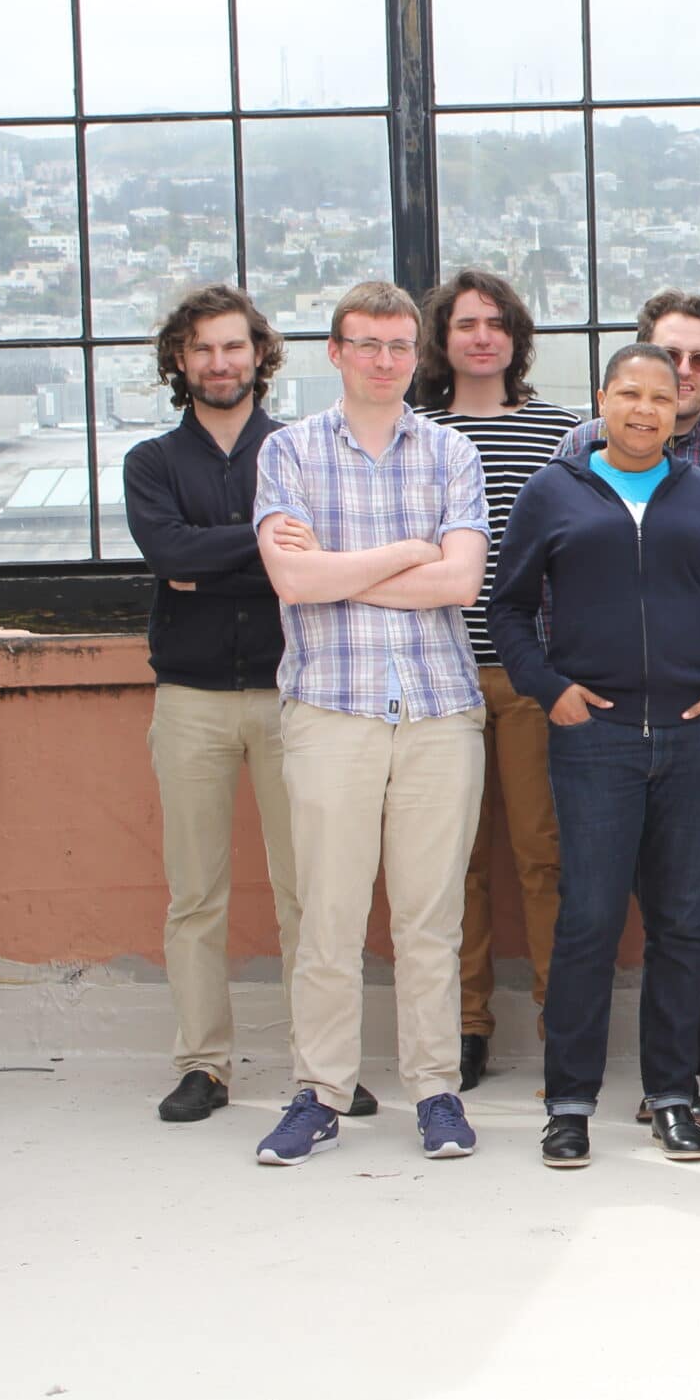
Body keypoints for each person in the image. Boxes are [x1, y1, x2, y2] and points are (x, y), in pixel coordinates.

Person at [491, 343, 700, 1166]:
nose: (645, 409)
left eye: (660, 396)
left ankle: (673, 1094)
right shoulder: (553, 490)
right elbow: (509, 609)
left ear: (680, 405)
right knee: (589, 919)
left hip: (696, 737)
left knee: (680, 922)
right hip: (595, 739)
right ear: (602, 400)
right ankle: (569, 1103)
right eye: (629, 394)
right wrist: (550, 688)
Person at [247, 281, 490, 1166]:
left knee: (431, 917)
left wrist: (343, 569)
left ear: (414, 354)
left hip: (438, 709)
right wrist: (406, 554)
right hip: (331, 706)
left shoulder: (452, 451)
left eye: (397, 345)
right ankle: (320, 1093)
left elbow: (461, 582)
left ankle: (435, 1090)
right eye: (366, 344)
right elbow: (293, 580)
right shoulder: (289, 451)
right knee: (329, 915)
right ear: (335, 351)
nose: (384, 360)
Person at [557, 290, 700, 1132]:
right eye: (665, 357)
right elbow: (548, 582)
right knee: (632, 897)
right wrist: (561, 683)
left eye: (698, 360)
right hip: (607, 717)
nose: (679, 375)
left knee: (694, 896)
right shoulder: (580, 452)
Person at [123, 287, 327, 1122]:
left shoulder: (301, 451)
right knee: (195, 894)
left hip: (292, 693)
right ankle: (203, 1064)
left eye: (233, 346)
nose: (219, 362)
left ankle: (320, 1068)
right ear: (180, 358)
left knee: (305, 891)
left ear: (259, 355)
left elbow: (315, 562)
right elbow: (169, 552)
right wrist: (267, 541)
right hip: (190, 699)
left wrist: (212, 562)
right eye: (202, 348)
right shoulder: (151, 462)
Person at [411, 268, 581, 1094]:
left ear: (517, 337)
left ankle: (560, 1020)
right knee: (455, 864)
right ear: (441, 340)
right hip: (436, 674)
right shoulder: (414, 431)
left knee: (543, 856)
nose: (481, 336)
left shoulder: (563, 431)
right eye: (465, 323)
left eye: (496, 323)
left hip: (534, 675)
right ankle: (466, 1024)